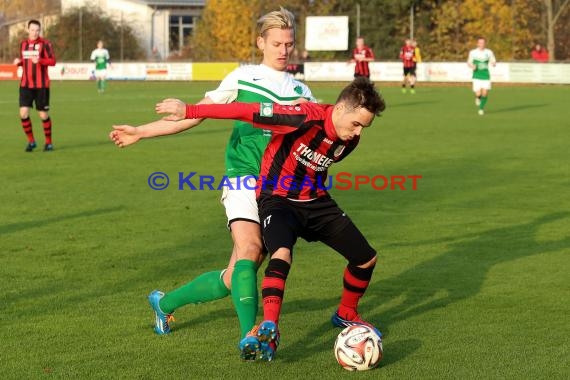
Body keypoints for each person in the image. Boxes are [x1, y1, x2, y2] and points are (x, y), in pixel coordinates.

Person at [109, 7, 314, 361]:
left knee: (236, 275)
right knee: (250, 250)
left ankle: (165, 302)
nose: (284, 50)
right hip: (242, 180)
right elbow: (195, 115)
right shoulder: (243, 77)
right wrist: (141, 132)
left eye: (289, 43)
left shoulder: (302, 91)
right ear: (260, 42)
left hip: (278, 189)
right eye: (277, 42)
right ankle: (250, 336)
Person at [155, 77, 386, 361]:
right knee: (280, 253)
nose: (358, 131)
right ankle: (269, 327)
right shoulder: (302, 117)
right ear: (340, 109)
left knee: (365, 258)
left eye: (364, 126)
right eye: (356, 123)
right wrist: (190, 110)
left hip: (315, 201)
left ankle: (345, 313)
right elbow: (243, 110)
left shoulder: (349, 138)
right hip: (277, 199)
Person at [14, 19, 56, 152]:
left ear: (40, 30)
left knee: (43, 115)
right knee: (23, 113)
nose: (35, 32)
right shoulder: (23, 44)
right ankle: (31, 141)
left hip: (41, 85)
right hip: (25, 84)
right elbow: (25, 61)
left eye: (37, 30)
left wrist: (41, 60)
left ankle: (48, 143)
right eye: (32, 30)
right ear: (28, 30)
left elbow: (53, 61)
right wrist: (19, 62)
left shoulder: (45, 44)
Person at [467, 37, 496, 116]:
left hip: (486, 76)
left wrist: (493, 63)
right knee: (478, 93)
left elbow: (493, 60)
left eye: (483, 43)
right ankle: (477, 98)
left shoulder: (489, 52)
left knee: (485, 93)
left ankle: (481, 109)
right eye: (480, 43)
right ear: (477, 44)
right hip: (476, 76)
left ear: (485, 44)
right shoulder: (473, 52)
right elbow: (469, 62)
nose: (481, 44)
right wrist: (472, 66)